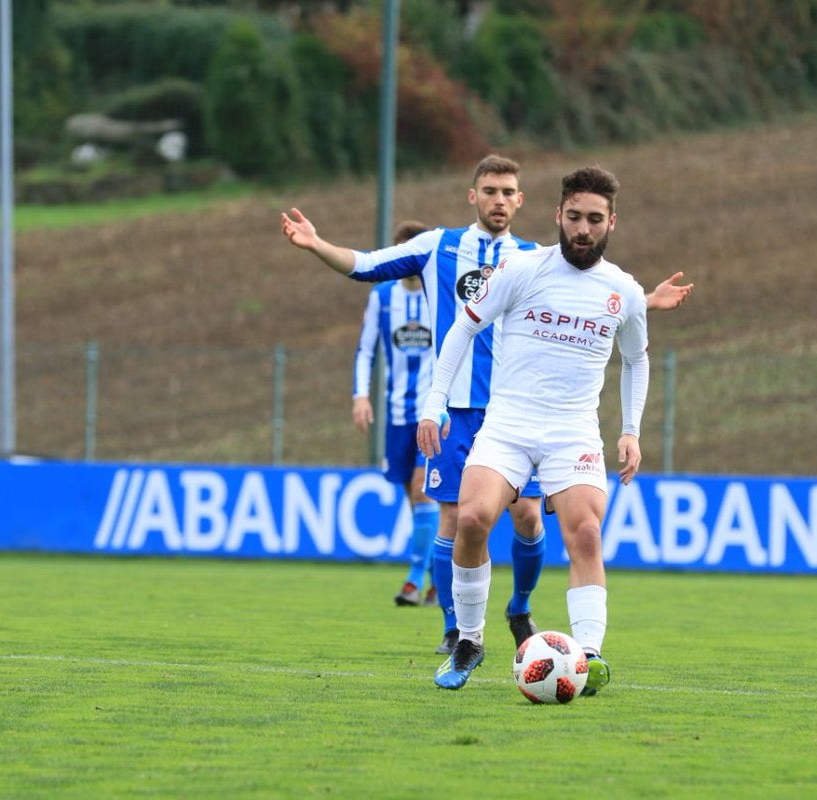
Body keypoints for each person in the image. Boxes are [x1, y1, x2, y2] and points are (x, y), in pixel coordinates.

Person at [281, 155, 691, 657]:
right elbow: (369, 265)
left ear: (522, 201)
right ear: (473, 195)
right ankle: (457, 632)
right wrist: (317, 244)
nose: (498, 199)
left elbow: (592, 300)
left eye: (508, 192)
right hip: (459, 409)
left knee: (530, 521)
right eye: (489, 190)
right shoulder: (440, 246)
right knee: (457, 521)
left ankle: (519, 607)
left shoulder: (530, 256)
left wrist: (644, 300)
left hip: (527, 413)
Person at [417, 165, 645, 695]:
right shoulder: (521, 269)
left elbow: (637, 360)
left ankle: (587, 657)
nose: (582, 229)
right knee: (472, 518)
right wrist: (435, 405)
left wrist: (630, 429)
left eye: (594, 219)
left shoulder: (624, 292)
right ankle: (469, 640)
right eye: (574, 217)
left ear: (612, 222)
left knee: (586, 533)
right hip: (509, 423)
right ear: (557, 215)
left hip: (574, 431)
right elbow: (462, 329)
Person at [351, 220, 439, 607]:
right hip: (397, 412)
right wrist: (360, 395)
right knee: (412, 495)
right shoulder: (383, 297)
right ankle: (438, 577)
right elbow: (366, 349)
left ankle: (414, 581)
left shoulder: (441, 293)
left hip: (434, 414)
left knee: (422, 489)